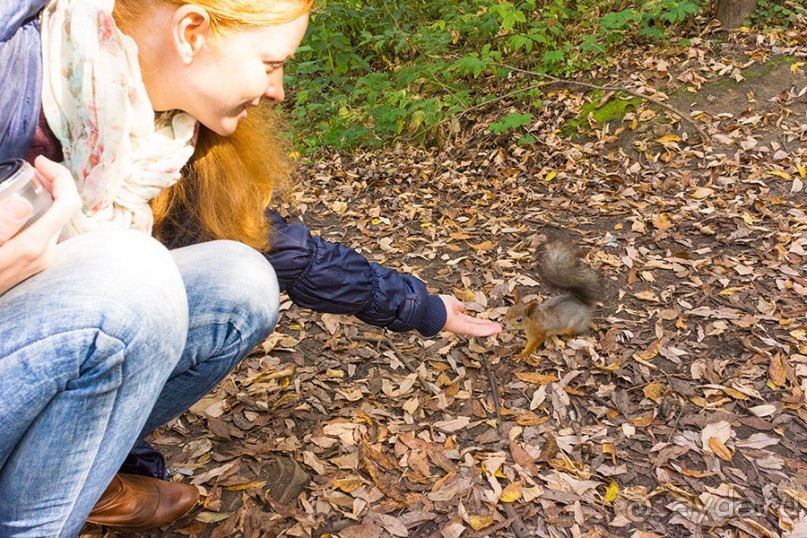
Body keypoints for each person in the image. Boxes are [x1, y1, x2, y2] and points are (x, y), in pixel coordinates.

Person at [0, 1, 502, 536]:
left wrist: (418, 307)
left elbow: (274, 244)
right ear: (191, 32)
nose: (278, 90)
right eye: (270, 64)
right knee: (132, 273)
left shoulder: (161, 137)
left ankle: (62, 472)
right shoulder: (16, 76)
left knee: (241, 280)